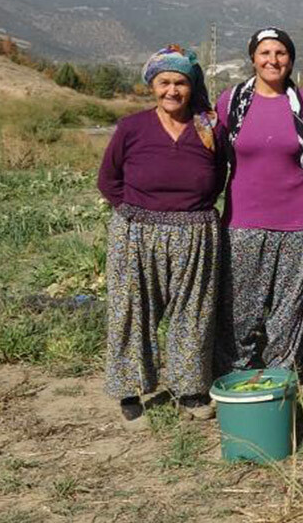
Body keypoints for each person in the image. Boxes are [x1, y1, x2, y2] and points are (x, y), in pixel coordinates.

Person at [97, 44, 222, 423]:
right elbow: (108, 180)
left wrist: (191, 209)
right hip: (137, 232)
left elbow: (219, 177)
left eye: (180, 82)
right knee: (133, 310)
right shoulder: (132, 127)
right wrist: (136, 216)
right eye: (164, 82)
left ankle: (190, 389)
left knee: (193, 313)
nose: (172, 90)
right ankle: (130, 389)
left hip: (195, 230)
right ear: (152, 85)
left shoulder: (209, 128)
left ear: (191, 85)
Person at [215, 27, 303, 373]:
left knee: (289, 310)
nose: (273, 60)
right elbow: (214, 157)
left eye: (280, 53)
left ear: (290, 59)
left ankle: (281, 375)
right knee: (240, 308)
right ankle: (237, 373)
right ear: (253, 58)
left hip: (297, 225)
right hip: (242, 222)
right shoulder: (231, 101)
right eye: (265, 53)